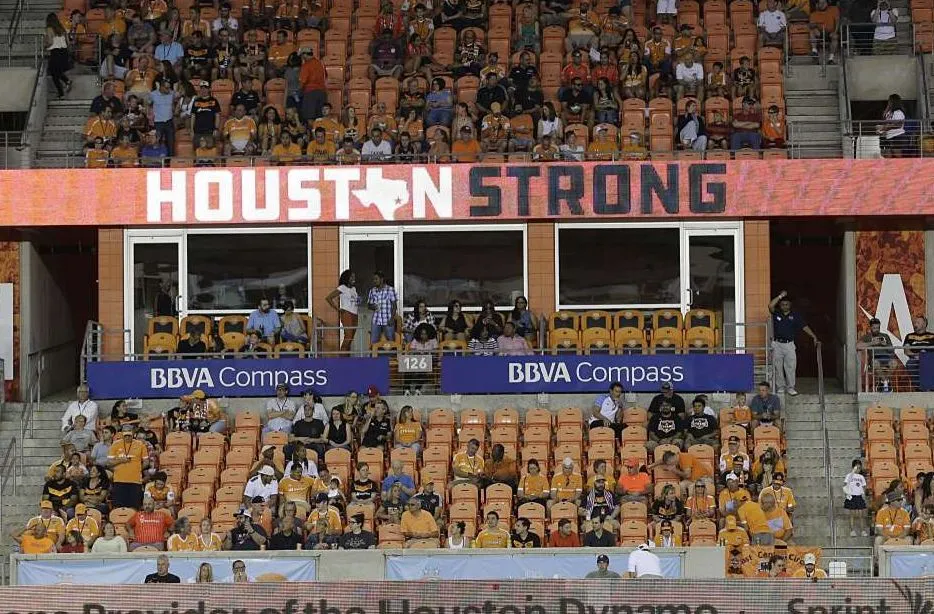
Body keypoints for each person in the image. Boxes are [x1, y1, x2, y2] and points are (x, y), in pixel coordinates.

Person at [769, 290, 821, 396]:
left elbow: (804, 327)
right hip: (777, 344)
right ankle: (781, 387)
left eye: (786, 304)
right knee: (778, 367)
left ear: (790, 305)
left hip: (789, 344)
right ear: (780, 305)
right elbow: (770, 305)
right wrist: (780, 296)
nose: (784, 306)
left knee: (791, 366)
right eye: (782, 304)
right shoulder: (777, 313)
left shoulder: (795, 315)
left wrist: (814, 336)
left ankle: (790, 387)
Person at [109, 424, 148, 509]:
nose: (127, 437)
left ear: (133, 434)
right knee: (118, 506)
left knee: (134, 507)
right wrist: (121, 461)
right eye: (125, 435)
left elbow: (146, 461)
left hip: (135, 481)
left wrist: (137, 469)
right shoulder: (115, 445)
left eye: (129, 435)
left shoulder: (140, 445)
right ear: (122, 434)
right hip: (119, 480)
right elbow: (109, 463)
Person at [45, 13, 72, 99]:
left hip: (56, 52)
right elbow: (68, 42)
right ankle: (66, 82)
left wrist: (44, 46)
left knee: (54, 73)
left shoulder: (49, 29)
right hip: (64, 52)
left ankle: (61, 93)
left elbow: (50, 42)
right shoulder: (62, 28)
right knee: (56, 72)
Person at [877, 93, 907, 158]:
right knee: (887, 154)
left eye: (890, 101)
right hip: (888, 135)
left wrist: (886, 127)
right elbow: (885, 120)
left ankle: (900, 167)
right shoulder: (889, 112)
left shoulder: (898, 112)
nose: (888, 102)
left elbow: (899, 124)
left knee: (896, 154)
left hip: (897, 135)